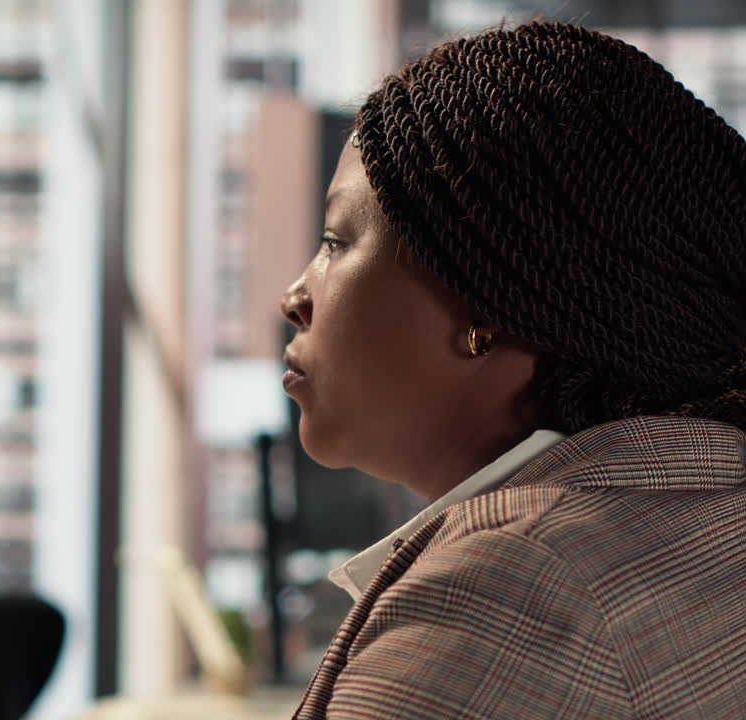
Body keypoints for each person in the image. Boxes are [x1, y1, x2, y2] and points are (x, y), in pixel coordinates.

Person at [280, 22, 746, 719]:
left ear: (488, 302)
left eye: (334, 242)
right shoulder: (707, 505)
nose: (295, 298)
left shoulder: (500, 597)